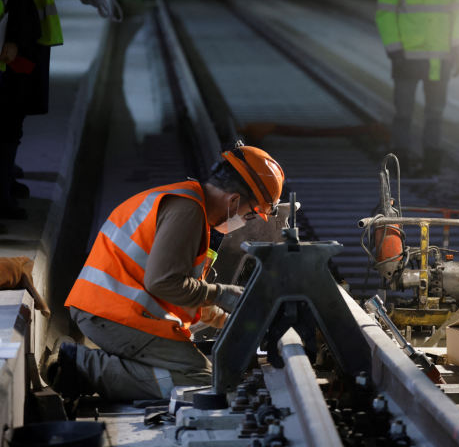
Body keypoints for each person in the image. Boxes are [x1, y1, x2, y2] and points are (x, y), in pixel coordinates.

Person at [45, 144, 284, 409]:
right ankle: (80, 367)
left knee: (195, 372)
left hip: (110, 308)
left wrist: (228, 321)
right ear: (234, 200)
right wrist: (224, 293)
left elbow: (180, 293)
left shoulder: (189, 205)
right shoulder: (188, 211)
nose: (245, 220)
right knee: (197, 379)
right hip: (109, 314)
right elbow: (163, 283)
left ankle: (93, 363)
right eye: (251, 213)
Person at [375, 0, 459, 175]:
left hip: (439, 58)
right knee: (404, 114)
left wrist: (458, 48)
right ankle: (400, 164)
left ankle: (431, 163)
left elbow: (456, 12)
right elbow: (385, 13)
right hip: (407, 57)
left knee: (434, 114)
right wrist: (395, 49)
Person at [0, 0, 65, 220]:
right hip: (15, 31)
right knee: (9, 117)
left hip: (18, 30)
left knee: (11, 115)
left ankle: (5, 183)